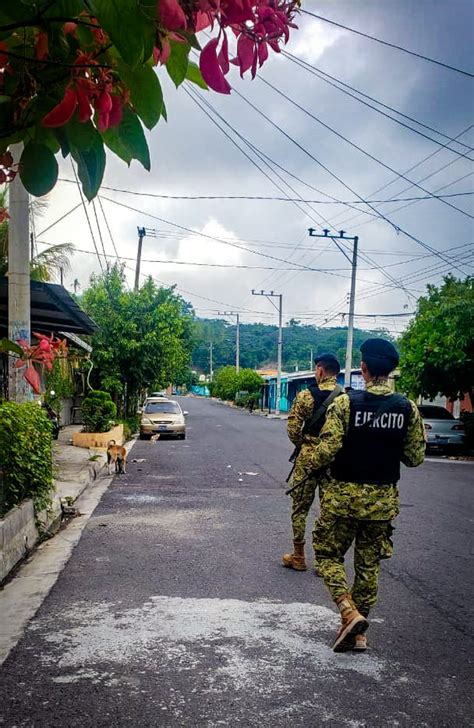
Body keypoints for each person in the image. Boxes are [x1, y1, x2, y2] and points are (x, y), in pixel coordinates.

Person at [309, 338, 426, 652]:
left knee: (327, 555)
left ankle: (348, 612)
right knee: (369, 566)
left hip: (342, 499)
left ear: (363, 367)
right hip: (382, 503)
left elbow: (326, 451)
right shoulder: (407, 408)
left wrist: (311, 463)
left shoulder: (346, 403)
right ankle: (358, 635)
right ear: (391, 370)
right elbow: (415, 457)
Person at [282, 353, 343, 571]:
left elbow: (292, 430)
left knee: (300, 508)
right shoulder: (345, 398)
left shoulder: (305, 396)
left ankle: (299, 557)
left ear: (320, 370)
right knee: (329, 511)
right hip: (335, 461)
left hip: (307, 458)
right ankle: (323, 562)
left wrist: (306, 444)